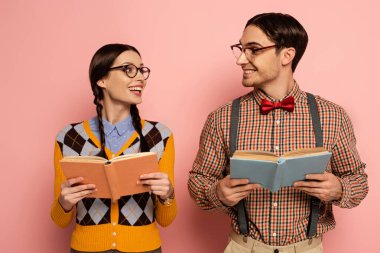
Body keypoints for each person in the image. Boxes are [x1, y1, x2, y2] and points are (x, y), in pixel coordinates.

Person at [188, 13, 368, 253]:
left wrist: (339, 189)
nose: (241, 59)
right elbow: (198, 180)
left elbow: (358, 181)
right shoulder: (222, 117)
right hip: (243, 247)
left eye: (253, 49)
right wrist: (217, 193)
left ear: (287, 55)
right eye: (240, 49)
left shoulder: (331, 115)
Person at [51, 44, 177, 253]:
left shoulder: (160, 136)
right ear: (102, 80)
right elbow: (59, 220)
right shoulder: (69, 138)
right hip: (86, 248)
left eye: (142, 70)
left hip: (145, 248)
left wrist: (168, 194)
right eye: (129, 69)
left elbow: (166, 220)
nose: (141, 79)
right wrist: (64, 202)